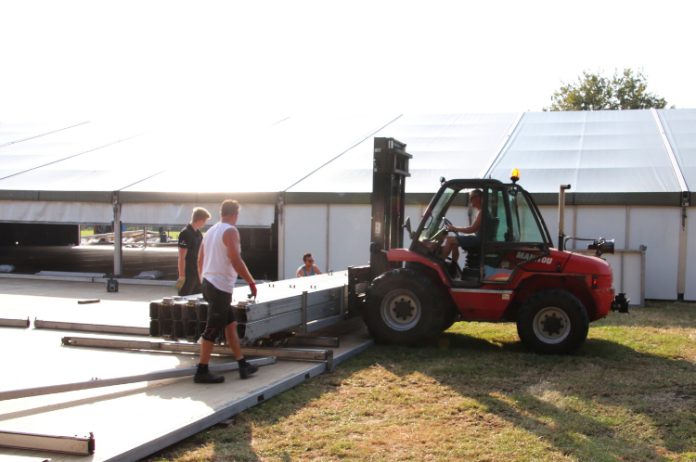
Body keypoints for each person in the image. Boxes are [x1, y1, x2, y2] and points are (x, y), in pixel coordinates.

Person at [194, 200, 258, 383]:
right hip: (220, 286)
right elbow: (236, 260)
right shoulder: (230, 231)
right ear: (235, 214)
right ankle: (202, 371)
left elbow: (200, 260)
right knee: (212, 329)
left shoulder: (210, 231)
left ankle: (242, 364)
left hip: (209, 283)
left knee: (230, 324)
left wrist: (204, 280)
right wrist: (251, 282)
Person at [441, 189, 484, 262]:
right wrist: (459, 232)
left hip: (478, 240)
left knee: (449, 239)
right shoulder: (481, 212)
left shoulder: (482, 212)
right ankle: (453, 266)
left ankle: (439, 262)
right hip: (479, 239)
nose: (470, 201)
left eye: (471, 198)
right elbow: (474, 230)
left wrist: (455, 228)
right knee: (454, 242)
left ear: (478, 198)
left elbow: (472, 229)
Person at [176, 207, 211, 296]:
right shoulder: (185, 233)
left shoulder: (198, 233)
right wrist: (182, 276)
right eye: (205, 221)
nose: (205, 223)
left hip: (197, 273)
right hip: (187, 275)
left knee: (198, 298)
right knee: (183, 299)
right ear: (199, 220)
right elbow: (181, 257)